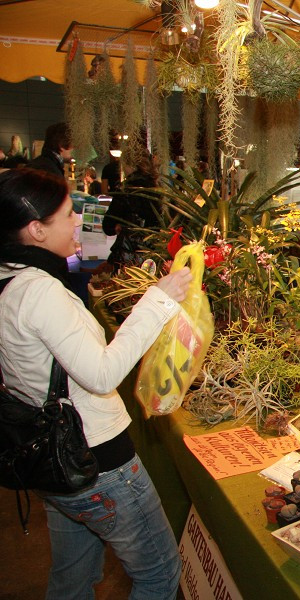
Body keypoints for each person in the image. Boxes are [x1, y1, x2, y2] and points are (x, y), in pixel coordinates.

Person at [0, 168, 191, 599]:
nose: (77, 222)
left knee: (72, 577)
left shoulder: (8, 281)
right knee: (160, 573)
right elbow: (102, 374)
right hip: (99, 463)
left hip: (52, 459)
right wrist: (158, 300)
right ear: (35, 229)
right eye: (68, 215)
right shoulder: (39, 291)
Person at [102, 152, 160, 269]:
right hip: (155, 252)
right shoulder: (159, 188)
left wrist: (118, 226)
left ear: (127, 165)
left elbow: (108, 225)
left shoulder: (126, 189)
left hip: (128, 253)